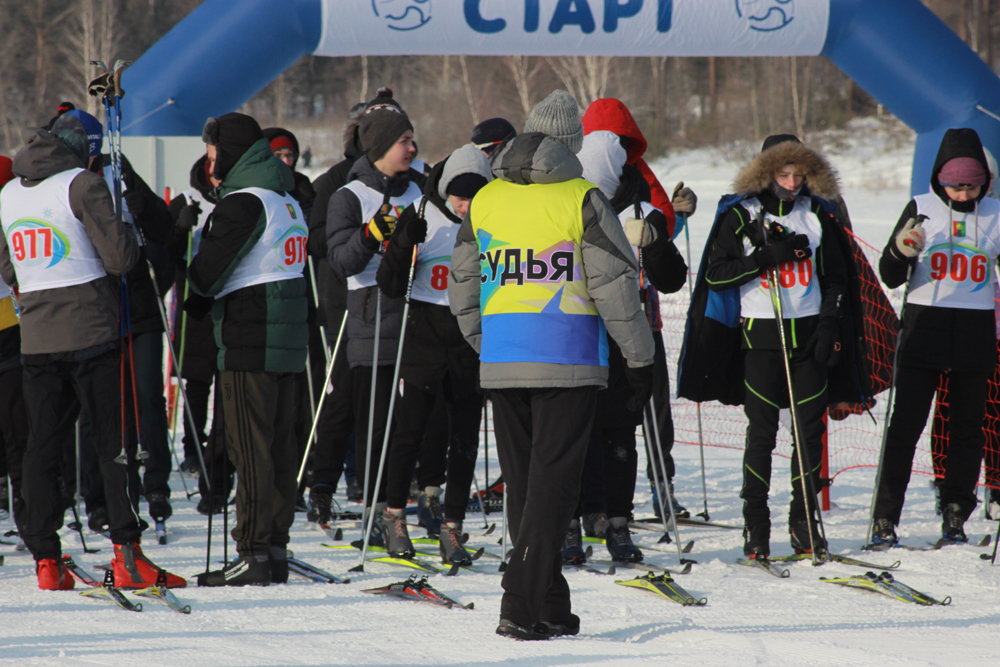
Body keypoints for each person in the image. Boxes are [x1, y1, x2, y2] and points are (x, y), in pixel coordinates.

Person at [450, 89, 656, 640]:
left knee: (526, 486)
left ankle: (550, 604)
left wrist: (484, 341)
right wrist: (640, 357)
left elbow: (463, 283)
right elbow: (615, 286)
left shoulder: (488, 199)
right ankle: (519, 601)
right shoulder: (583, 197)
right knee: (555, 488)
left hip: (503, 358)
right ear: (572, 146)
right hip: (566, 357)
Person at [0, 112, 183, 590]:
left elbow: (8, 262)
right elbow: (120, 259)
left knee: (42, 445)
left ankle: (46, 558)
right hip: (91, 332)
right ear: (80, 151)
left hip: (37, 336)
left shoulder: (10, 191)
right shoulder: (82, 184)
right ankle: (127, 552)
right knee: (110, 443)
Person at [680, 135, 869, 560]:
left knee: (809, 433)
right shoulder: (742, 213)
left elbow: (838, 279)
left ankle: (804, 521)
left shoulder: (818, 213)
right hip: (760, 340)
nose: (791, 183)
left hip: (809, 338)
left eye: (799, 175)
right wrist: (767, 257)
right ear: (765, 173)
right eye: (783, 174)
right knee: (762, 433)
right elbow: (717, 273)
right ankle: (756, 525)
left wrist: (828, 326)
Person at [187, 112, 309, 586]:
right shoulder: (285, 194)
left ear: (232, 155)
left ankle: (253, 552)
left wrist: (194, 293)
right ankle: (273, 547)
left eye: (215, 155)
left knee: (249, 447)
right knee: (278, 446)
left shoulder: (243, 202)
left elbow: (205, 276)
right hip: (284, 341)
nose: (211, 164)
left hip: (249, 339)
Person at [872, 128, 1000, 546]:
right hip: (923, 327)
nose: (963, 195)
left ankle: (955, 514)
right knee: (905, 426)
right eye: (954, 186)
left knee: (967, 428)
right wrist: (900, 251)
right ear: (940, 180)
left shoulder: (997, 214)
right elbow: (889, 274)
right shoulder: (921, 207)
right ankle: (885, 518)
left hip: (974, 331)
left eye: (971, 186)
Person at [570, 123, 688, 563]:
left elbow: (673, 279)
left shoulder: (642, 206)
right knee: (577, 433)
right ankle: (574, 521)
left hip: (627, 334)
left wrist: (654, 243)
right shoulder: (569, 203)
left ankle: (618, 523)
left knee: (621, 435)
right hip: (580, 332)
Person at [374, 144, 491, 564]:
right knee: (410, 432)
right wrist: (404, 241)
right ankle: (393, 517)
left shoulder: (492, 218)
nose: (465, 205)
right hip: (423, 331)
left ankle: (452, 527)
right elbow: (388, 283)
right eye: (459, 196)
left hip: (468, 336)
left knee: (464, 437)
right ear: (445, 190)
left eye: (474, 196)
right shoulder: (422, 213)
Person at [70, 108, 176, 530]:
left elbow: (162, 227)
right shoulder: (67, 183)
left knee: (148, 395)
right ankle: (99, 494)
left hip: (141, 305)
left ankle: (157, 483)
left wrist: (143, 205)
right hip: (97, 308)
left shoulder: (117, 167)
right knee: (97, 407)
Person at [326, 88, 424, 528]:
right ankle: (373, 509)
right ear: (382, 145)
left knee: (413, 423)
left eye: (412, 138)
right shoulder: (349, 195)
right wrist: (370, 235)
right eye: (404, 140)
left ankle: (404, 505)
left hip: (417, 320)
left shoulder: (421, 190)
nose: (412, 147)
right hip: (371, 318)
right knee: (375, 423)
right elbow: (340, 262)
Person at [167, 153, 229, 512]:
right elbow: (170, 255)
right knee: (197, 381)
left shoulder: (236, 201)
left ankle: (217, 450)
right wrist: (180, 226)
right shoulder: (189, 205)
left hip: (221, 304)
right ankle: (192, 446)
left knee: (224, 382)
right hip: (194, 308)